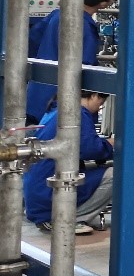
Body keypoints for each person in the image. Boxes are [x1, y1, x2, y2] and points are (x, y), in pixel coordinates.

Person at [25, 0, 116, 124]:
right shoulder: (84, 27)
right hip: (60, 105)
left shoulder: (56, 15)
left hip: (37, 98)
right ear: (103, 3)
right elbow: (83, 70)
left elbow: (31, 43)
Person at [23, 90, 114, 235]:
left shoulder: (57, 109)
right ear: (94, 96)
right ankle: (66, 219)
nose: (99, 107)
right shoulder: (77, 114)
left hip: (37, 193)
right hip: (47, 193)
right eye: (101, 103)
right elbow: (91, 149)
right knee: (115, 176)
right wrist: (111, 143)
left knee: (94, 169)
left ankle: (56, 215)